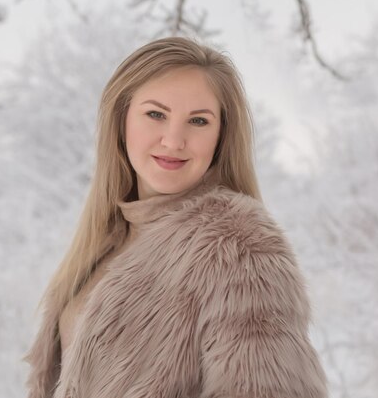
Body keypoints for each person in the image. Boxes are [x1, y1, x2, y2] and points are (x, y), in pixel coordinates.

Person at [25, 36, 328, 398]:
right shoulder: (109, 239)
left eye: (198, 121)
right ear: (121, 120)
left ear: (220, 136)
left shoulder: (237, 246)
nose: (173, 139)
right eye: (156, 114)